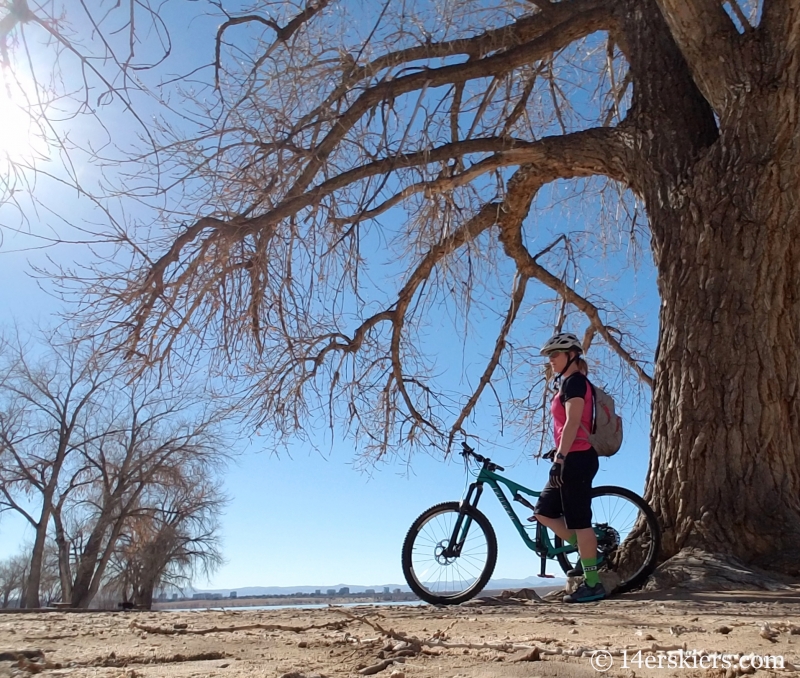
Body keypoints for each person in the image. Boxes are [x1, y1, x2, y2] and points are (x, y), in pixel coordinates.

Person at [533, 332, 605, 603]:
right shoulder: (565, 383)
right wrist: (558, 453)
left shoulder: (575, 382)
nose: (550, 360)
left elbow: (574, 422)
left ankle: (593, 583)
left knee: (579, 521)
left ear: (571, 355)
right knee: (543, 512)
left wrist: (561, 457)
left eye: (555, 355)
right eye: (550, 355)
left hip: (577, 458)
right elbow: (565, 426)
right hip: (567, 457)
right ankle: (589, 552)